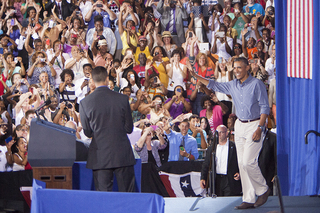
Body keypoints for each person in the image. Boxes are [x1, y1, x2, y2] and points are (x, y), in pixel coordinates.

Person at [189, 57, 270, 209]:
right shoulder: (232, 85)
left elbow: (265, 108)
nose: (237, 70)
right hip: (239, 125)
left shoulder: (256, 84)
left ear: (247, 68)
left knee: (248, 161)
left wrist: (260, 128)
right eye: (235, 68)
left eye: (239, 67)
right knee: (241, 163)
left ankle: (263, 190)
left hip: (255, 124)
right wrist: (197, 76)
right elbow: (215, 84)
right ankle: (248, 198)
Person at [79, 66, 136, 192]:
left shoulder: (84, 103)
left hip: (100, 156)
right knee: (128, 196)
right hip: (122, 154)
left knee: (103, 199)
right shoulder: (122, 99)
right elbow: (129, 128)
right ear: (107, 78)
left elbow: (88, 132)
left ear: (92, 81)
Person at [200, 125, 242, 196]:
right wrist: (203, 178)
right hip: (216, 180)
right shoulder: (212, 148)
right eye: (217, 132)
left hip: (229, 179)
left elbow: (240, 161)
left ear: (226, 133)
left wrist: (240, 172)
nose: (219, 135)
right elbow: (206, 164)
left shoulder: (234, 147)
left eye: (221, 132)